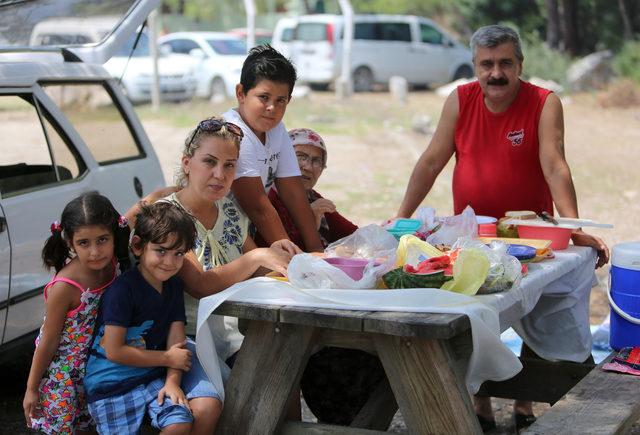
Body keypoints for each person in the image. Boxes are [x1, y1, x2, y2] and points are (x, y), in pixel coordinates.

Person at [395, 24, 609, 431]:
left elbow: (554, 164)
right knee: (479, 311)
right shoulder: (459, 100)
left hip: (532, 234)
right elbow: (431, 160)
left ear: (520, 64)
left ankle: (526, 402)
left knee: (537, 305)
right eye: (486, 64)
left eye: (505, 63)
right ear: (474, 66)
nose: (495, 73)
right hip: (473, 233)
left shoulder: (545, 102)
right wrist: (401, 215)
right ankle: (480, 404)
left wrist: (571, 225)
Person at [160, 117, 301, 360]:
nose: (219, 174)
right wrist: (257, 256)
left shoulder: (230, 211)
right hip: (184, 342)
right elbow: (200, 285)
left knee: (289, 358)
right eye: (209, 162)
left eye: (229, 165)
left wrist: (276, 260)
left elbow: (253, 273)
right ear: (186, 163)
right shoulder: (167, 216)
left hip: (234, 337)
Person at [84, 202, 221, 434]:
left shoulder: (174, 285)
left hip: (151, 376)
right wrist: (167, 358)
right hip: (110, 385)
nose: (169, 262)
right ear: (138, 246)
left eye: (178, 253)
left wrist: (172, 382)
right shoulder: (122, 292)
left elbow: (176, 339)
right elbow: (114, 351)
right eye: (161, 250)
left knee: (179, 423)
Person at [23, 192, 130, 434]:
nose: (95, 252)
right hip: (62, 376)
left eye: (102, 240)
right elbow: (49, 341)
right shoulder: (65, 287)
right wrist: (31, 388)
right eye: (84, 243)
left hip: (97, 366)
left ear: (114, 236)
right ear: (70, 243)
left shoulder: (114, 263)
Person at [223, 44, 324, 252]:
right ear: (241, 93)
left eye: (281, 101)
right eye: (264, 97)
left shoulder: (276, 129)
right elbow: (258, 207)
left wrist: (317, 252)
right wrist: (297, 259)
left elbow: (294, 193)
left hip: (242, 231)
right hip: (215, 230)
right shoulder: (233, 133)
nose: (272, 108)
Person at [256, 127, 358, 250]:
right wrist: (310, 220)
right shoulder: (269, 198)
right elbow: (283, 252)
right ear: (283, 160)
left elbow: (353, 235)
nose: (308, 167)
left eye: (316, 161)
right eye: (300, 157)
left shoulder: (312, 198)